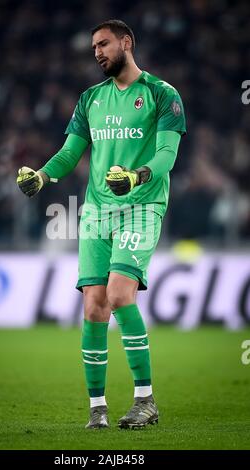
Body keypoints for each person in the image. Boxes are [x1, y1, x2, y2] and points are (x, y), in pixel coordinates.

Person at [17, 19, 186, 429]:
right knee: (93, 307)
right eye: (94, 46)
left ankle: (145, 400)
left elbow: (167, 154)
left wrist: (137, 175)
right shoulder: (90, 99)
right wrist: (42, 175)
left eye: (104, 44)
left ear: (126, 43)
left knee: (119, 295)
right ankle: (98, 409)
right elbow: (70, 152)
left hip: (142, 206)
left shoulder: (163, 95)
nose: (97, 52)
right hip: (95, 212)